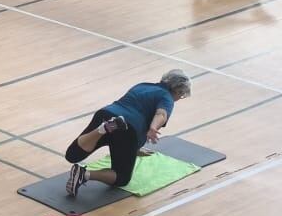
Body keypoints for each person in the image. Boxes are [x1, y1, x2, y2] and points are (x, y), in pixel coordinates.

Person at [64, 71, 193, 198]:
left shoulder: (143, 85)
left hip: (106, 114)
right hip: (128, 130)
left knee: (73, 155)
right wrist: (153, 127)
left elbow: (137, 106)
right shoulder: (167, 98)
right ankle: (84, 174)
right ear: (178, 91)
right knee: (122, 178)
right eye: (181, 96)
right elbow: (161, 114)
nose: (178, 99)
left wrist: (133, 149)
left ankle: (102, 129)